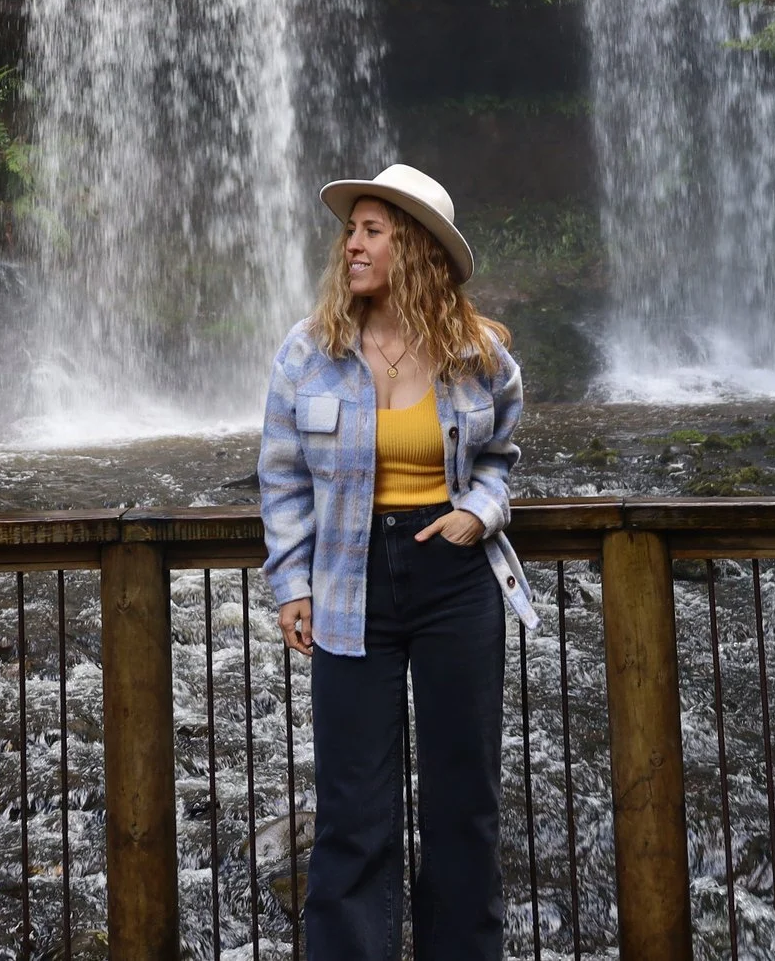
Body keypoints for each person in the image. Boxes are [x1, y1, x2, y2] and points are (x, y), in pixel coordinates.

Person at [258, 163, 539, 961]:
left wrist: (475, 513)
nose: (351, 242)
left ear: (411, 246)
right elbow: (280, 476)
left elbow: (501, 455)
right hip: (350, 578)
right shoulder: (309, 352)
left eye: (371, 230)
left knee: (463, 801)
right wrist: (292, 584)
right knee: (353, 807)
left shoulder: (476, 353)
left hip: (455, 577)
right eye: (351, 229)